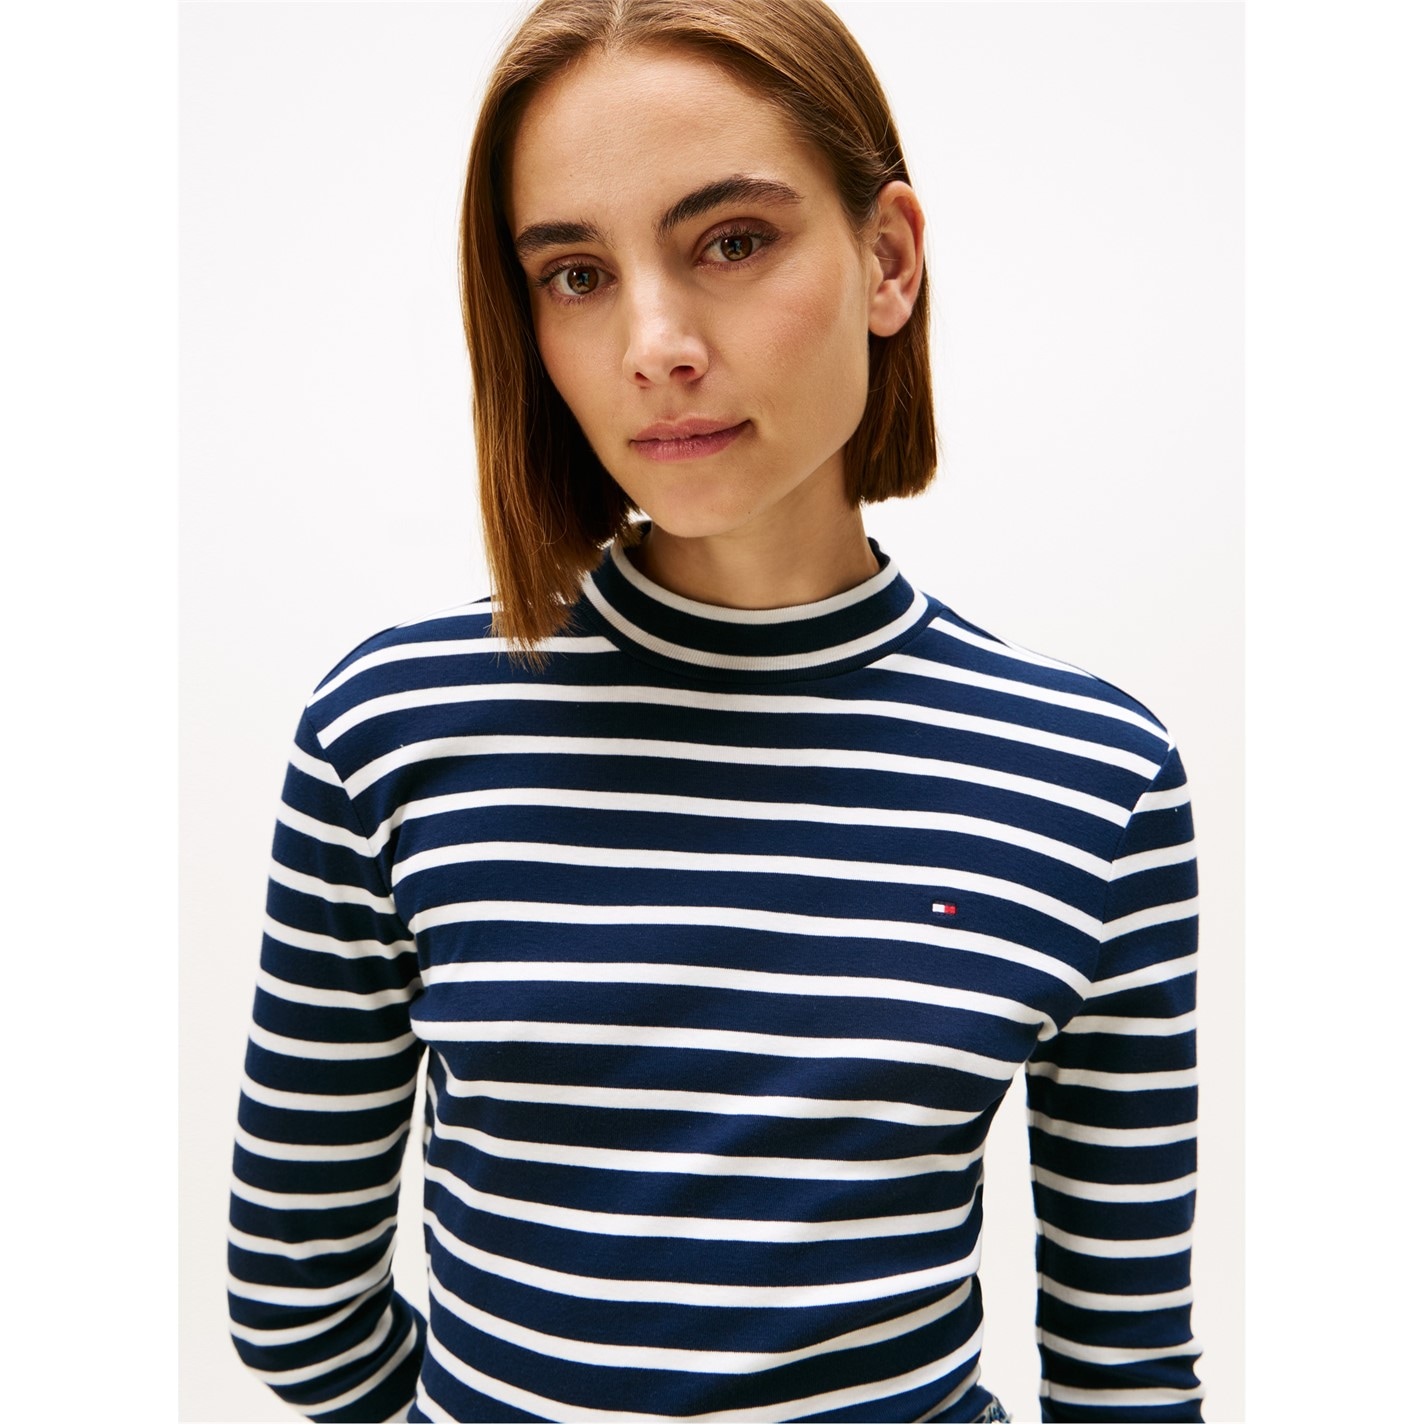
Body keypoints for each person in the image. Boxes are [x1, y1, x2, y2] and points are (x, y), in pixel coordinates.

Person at [226, 1, 1205, 1420]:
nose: (656, 344)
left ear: (887, 260)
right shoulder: (394, 728)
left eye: (731, 242)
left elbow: (1125, 1374)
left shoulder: (1093, 775)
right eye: (574, 273)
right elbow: (294, 1302)